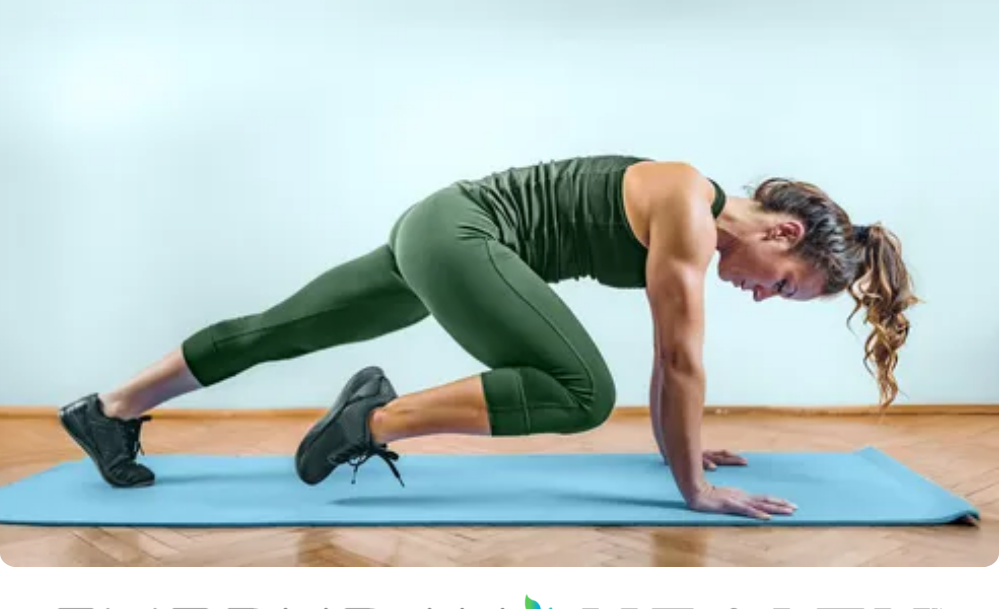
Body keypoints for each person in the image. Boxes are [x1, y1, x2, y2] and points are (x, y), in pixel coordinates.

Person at [57, 156, 918, 519]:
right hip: (463, 239)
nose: (763, 298)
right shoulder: (690, 212)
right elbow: (679, 360)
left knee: (280, 330)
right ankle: (370, 421)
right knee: (580, 392)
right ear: (783, 237)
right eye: (784, 288)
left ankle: (109, 408)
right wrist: (691, 488)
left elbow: (673, 361)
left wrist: (678, 456)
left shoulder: (691, 208)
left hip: (437, 226)